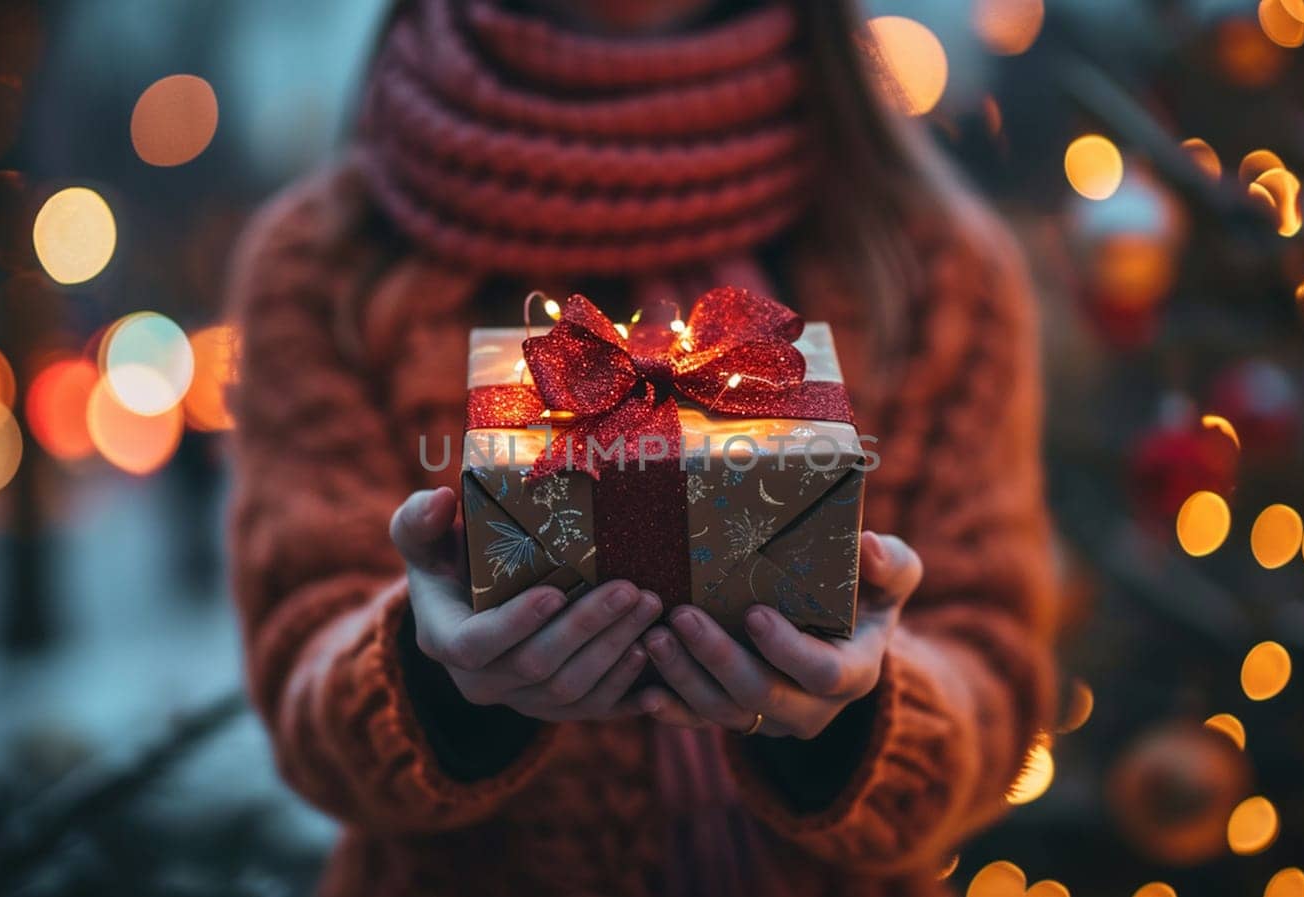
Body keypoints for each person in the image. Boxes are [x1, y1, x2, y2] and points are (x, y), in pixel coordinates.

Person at [226, 1, 1056, 894]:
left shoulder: (932, 263)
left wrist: (857, 712)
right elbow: (300, 675)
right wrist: (432, 681)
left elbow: (996, 672)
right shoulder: (326, 264)